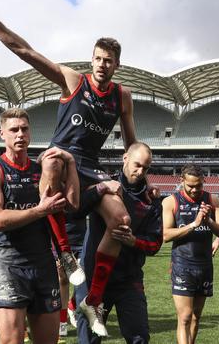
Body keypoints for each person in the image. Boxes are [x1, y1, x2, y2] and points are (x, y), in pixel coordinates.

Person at [0, 0, 139, 337]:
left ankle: (92, 299)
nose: (102, 65)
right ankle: (63, 250)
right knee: (51, 161)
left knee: (121, 220)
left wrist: (138, 181)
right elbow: (25, 51)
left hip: (89, 167)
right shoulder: (74, 81)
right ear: (91, 60)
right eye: (97, 58)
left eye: (108, 60)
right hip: (59, 159)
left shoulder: (123, 96)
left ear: (117, 64)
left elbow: (132, 143)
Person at [0, 108, 77, 344]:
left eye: (24, 129)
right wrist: (39, 210)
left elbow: (72, 205)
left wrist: (70, 162)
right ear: (2, 134)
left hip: (43, 265)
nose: (20, 134)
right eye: (14, 130)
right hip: (9, 266)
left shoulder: (40, 171)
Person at [75, 142, 163, 344]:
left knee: (139, 338)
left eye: (146, 168)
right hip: (92, 278)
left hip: (128, 281)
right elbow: (75, 211)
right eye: (137, 165)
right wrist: (100, 188)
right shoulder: (105, 185)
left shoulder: (151, 200)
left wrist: (134, 241)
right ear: (125, 158)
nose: (140, 172)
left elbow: (155, 244)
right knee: (88, 340)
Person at [162, 164, 219, 344]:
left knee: (195, 317)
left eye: (198, 185)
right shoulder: (171, 201)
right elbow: (166, 235)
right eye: (190, 186)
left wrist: (208, 221)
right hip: (182, 266)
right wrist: (194, 224)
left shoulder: (213, 200)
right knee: (184, 317)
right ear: (181, 181)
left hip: (205, 267)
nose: (194, 190)